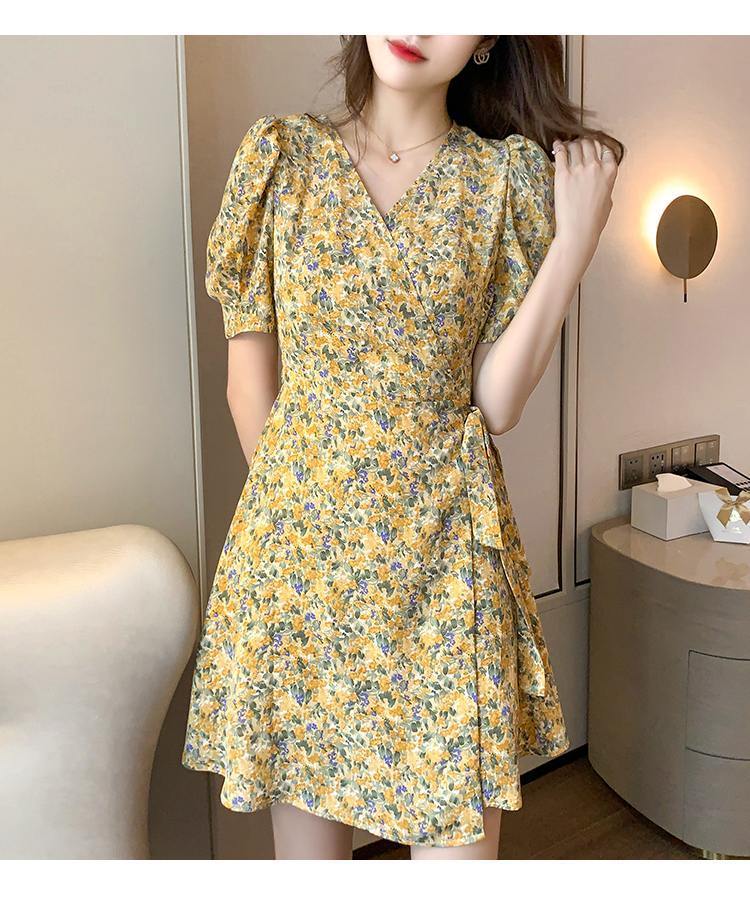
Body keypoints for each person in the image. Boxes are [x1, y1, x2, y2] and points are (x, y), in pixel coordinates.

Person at [182, 34, 622, 861]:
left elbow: (496, 402)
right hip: (306, 573)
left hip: (444, 568)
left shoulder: (502, 182)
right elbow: (250, 390)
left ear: (487, 39)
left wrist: (573, 247)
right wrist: (323, 540)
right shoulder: (281, 160)